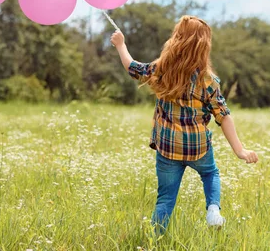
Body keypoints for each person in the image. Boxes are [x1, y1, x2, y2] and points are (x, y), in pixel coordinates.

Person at [110, 16, 258, 235]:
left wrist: (121, 45)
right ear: (203, 47)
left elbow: (133, 68)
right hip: (198, 147)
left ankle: (153, 243)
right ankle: (213, 209)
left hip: (168, 149)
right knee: (210, 175)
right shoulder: (207, 80)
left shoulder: (161, 69)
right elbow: (223, 115)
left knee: (166, 199)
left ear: (176, 39)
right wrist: (239, 150)